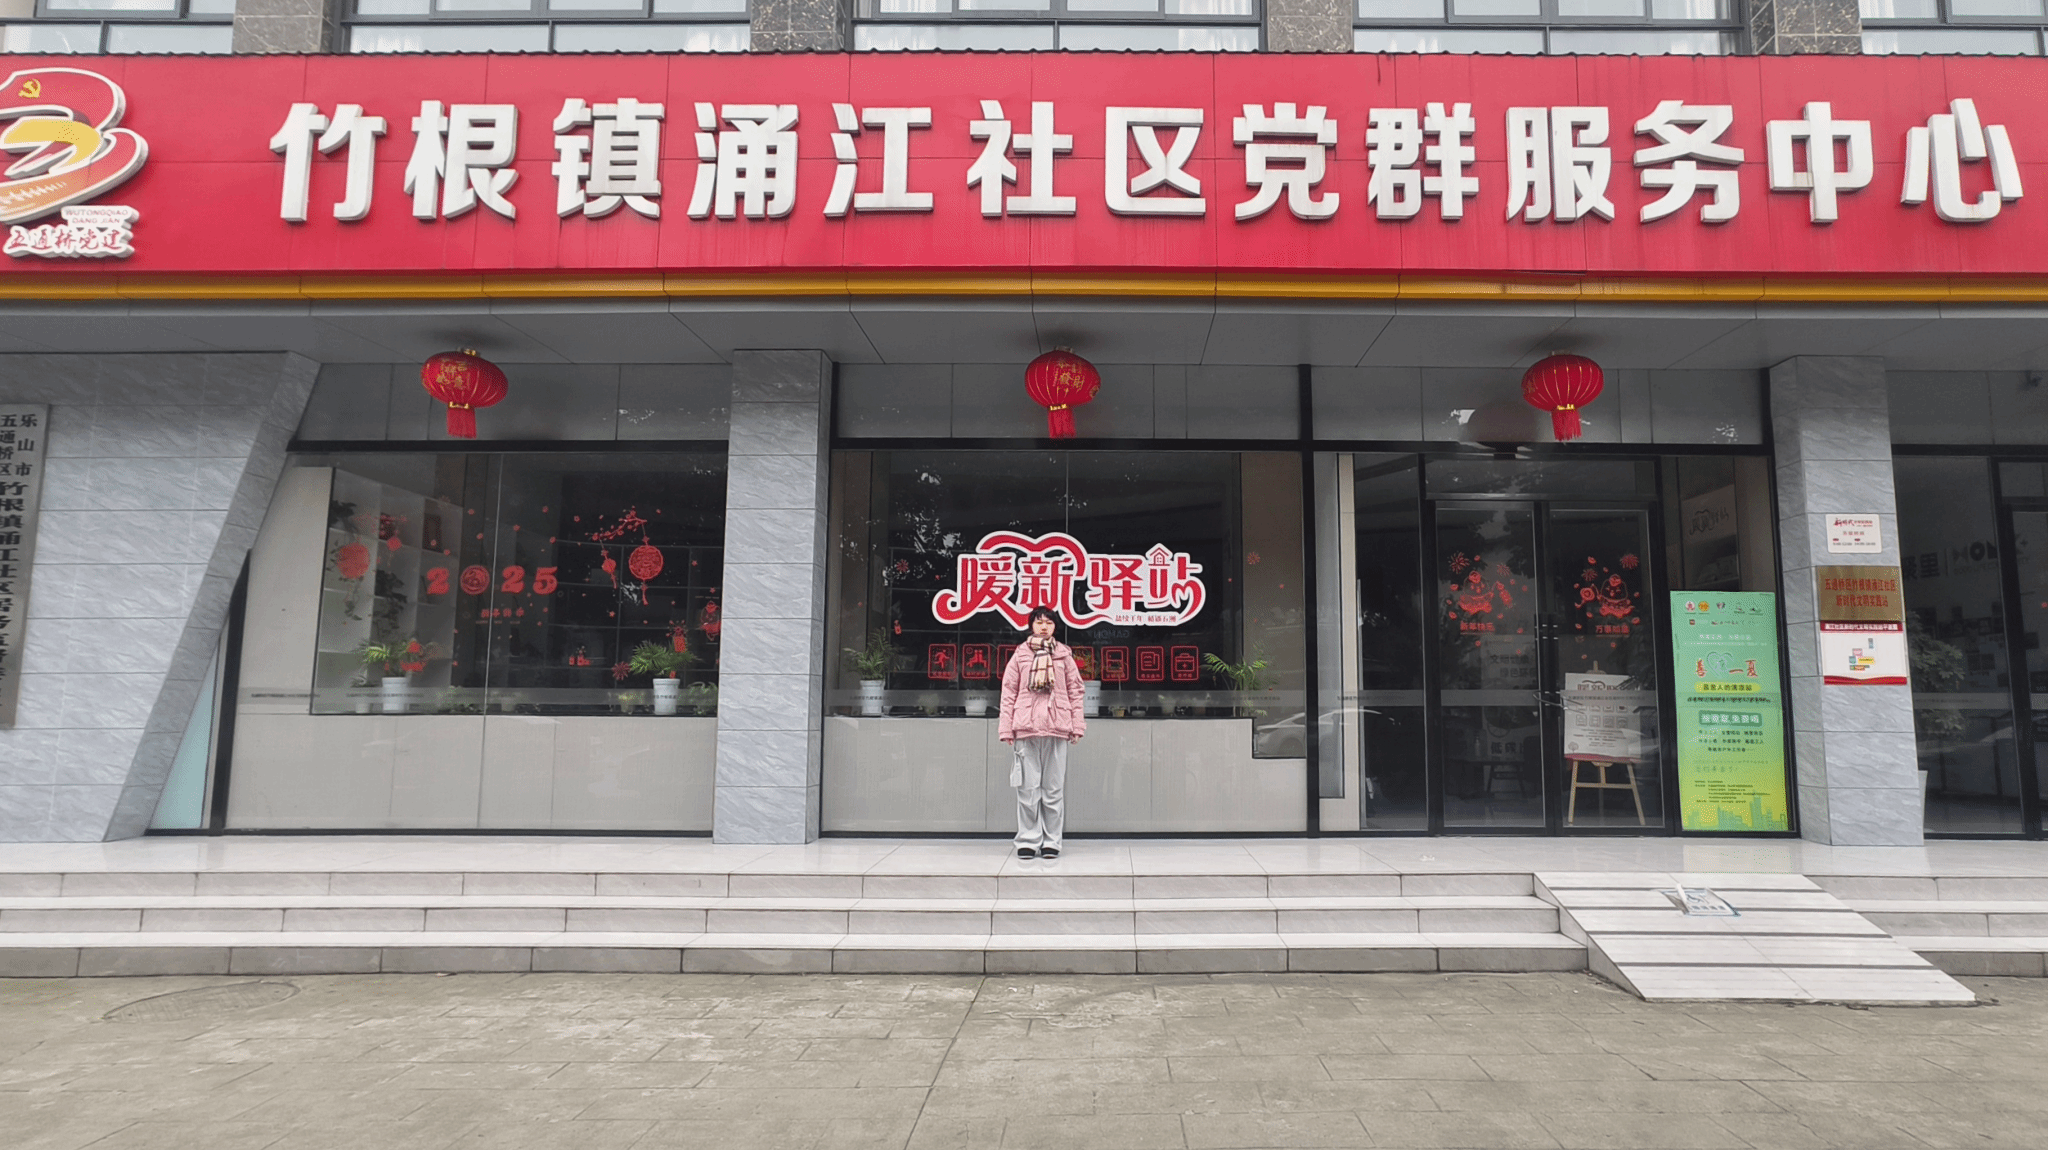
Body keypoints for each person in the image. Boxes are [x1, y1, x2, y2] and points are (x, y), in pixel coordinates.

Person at [997, 605, 1086, 859]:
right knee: (1027, 789)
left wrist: (1077, 725)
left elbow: (1075, 691)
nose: (1044, 627)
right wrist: (1006, 728)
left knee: (1053, 790)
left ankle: (1052, 842)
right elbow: (1008, 692)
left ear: (1055, 626)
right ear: (1031, 626)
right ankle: (1027, 840)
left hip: (1057, 727)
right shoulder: (1020, 655)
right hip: (1026, 727)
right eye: (1039, 622)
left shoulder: (1064, 656)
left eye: (1048, 622)